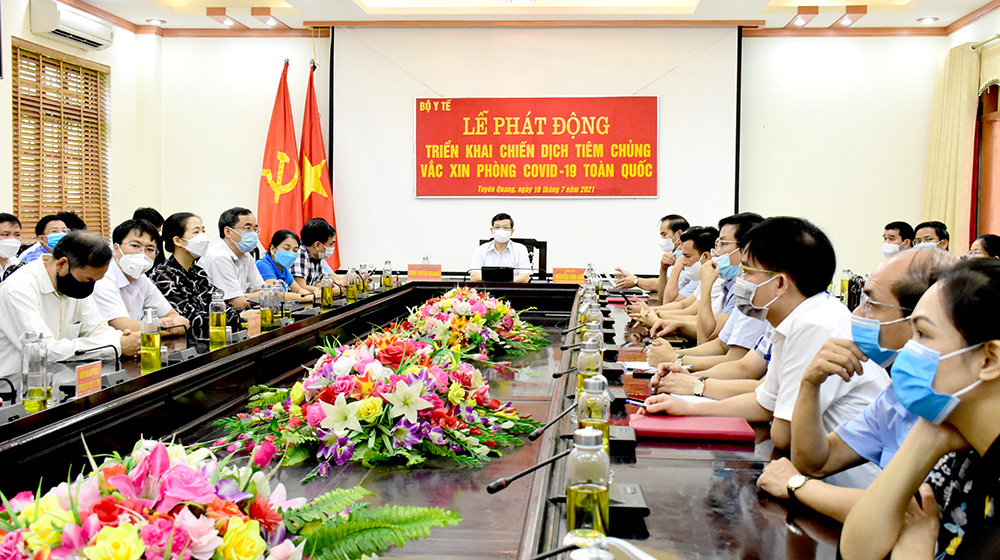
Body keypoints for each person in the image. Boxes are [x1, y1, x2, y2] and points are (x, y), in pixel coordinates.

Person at [641, 217, 890, 456]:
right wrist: (686, 408)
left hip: (845, 479)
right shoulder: (789, 318)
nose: (741, 280)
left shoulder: (815, 326)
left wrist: (694, 389)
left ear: (780, 283)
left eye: (747, 272)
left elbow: (783, 433)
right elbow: (763, 401)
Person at [755, 247, 958, 522]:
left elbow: (912, 512)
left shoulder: (960, 407)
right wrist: (810, 384)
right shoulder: (899, 395)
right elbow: (816, 462)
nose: (857, 314)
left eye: (871, 304)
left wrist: (798, 486)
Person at [841, 258, 1000, 560]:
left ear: (989, 359)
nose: (908, 351)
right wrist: (925, 438)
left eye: (924, 335)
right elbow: (855, 551)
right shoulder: (957, 450)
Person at [0, 231, 140, 381]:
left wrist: (126, 340)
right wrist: (117, 346)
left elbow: (96, 329)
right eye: (88, 280)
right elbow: (44, 350)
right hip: (18, 387)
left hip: (64, 380)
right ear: (62, 264)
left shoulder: (73, 282)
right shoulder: (19, 289)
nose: (90, 286)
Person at [643, 213, 768, 371]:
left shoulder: (758, 294)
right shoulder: (739, 286)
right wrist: (673, 356)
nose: (717, 253)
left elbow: (707, 339)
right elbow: (720, 344)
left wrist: (674, 359)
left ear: (747, 248)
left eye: (723, 244)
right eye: (717, 244)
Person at [150, 212, 242, 340]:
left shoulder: (198, 272)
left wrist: (241, 314)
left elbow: (217, 303)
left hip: (207, 337)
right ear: (177, 241)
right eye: (196, 232)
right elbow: (189, 318)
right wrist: (237, 317)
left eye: (203, 231)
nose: (203, 237)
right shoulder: (163, 275)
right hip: (182, 342)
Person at [92, 219, 189, 334]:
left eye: (150, 249)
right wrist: (165, 325)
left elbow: (177, 319)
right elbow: (125, 327)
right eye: (135, 245)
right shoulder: (103, 277)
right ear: (116, 249)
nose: (142, 254)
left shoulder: (141, 279)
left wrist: (157, 326)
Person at [199, 207, 266, 310]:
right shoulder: (218, 257)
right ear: (228, 232)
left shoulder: (246, 255)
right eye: (247, 228)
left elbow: (265, 294)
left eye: (255, 229)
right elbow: (238, 304)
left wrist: (244, 297)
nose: (253, 233)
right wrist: (247, 298)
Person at [614, 214, 689, 295]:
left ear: (679, 234)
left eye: (664, 234)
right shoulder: (674, 255)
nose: (662, 239)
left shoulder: (685, 257)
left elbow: (664, 285)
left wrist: (636, 281)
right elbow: (663, 282)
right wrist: (630, 278)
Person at [469, 213, 531, 283]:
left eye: (505, 227)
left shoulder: (520, 249)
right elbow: (474, 277)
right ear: (492, 230)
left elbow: (525, 277)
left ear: (512, 231)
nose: (501, 230)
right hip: (487, 288)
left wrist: (494, 279)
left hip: (513, 288)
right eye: (497, 227)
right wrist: (503, 279)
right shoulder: (481, 250)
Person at [290, 218, 341, 295]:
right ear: (317, 245)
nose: (333, 247)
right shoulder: (300, 254)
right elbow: (300, 287)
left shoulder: (317, 256)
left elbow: (317, 283)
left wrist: (334, 287)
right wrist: (330, 291)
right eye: (331, 244)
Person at [258, 230, 313, 300]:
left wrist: (314, 296)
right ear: (273, 249)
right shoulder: (262, 265)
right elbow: (276, 294)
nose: (291, 254)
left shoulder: (284, 269)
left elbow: (298, 290)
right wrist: (307, 298)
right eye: (286, 249)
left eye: (295, 250)